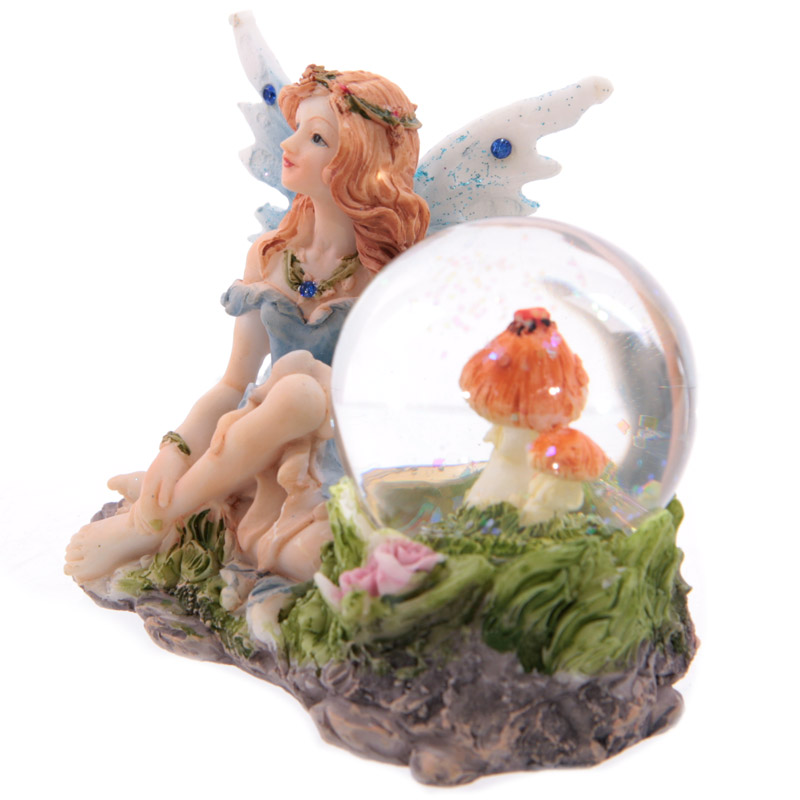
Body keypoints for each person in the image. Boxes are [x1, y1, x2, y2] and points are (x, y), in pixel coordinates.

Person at [65, 66, 430, 583]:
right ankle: (152, 518)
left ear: (358, 163)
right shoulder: (272, 256)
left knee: (329, 558)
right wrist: (174, 451)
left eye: (317, 138)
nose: (290, 143)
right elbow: (233, 384)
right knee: (294, 393)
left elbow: (389, 403)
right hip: (246, 444)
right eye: (297, 128)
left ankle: (176, 509)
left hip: (331, 461)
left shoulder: (385, 278)